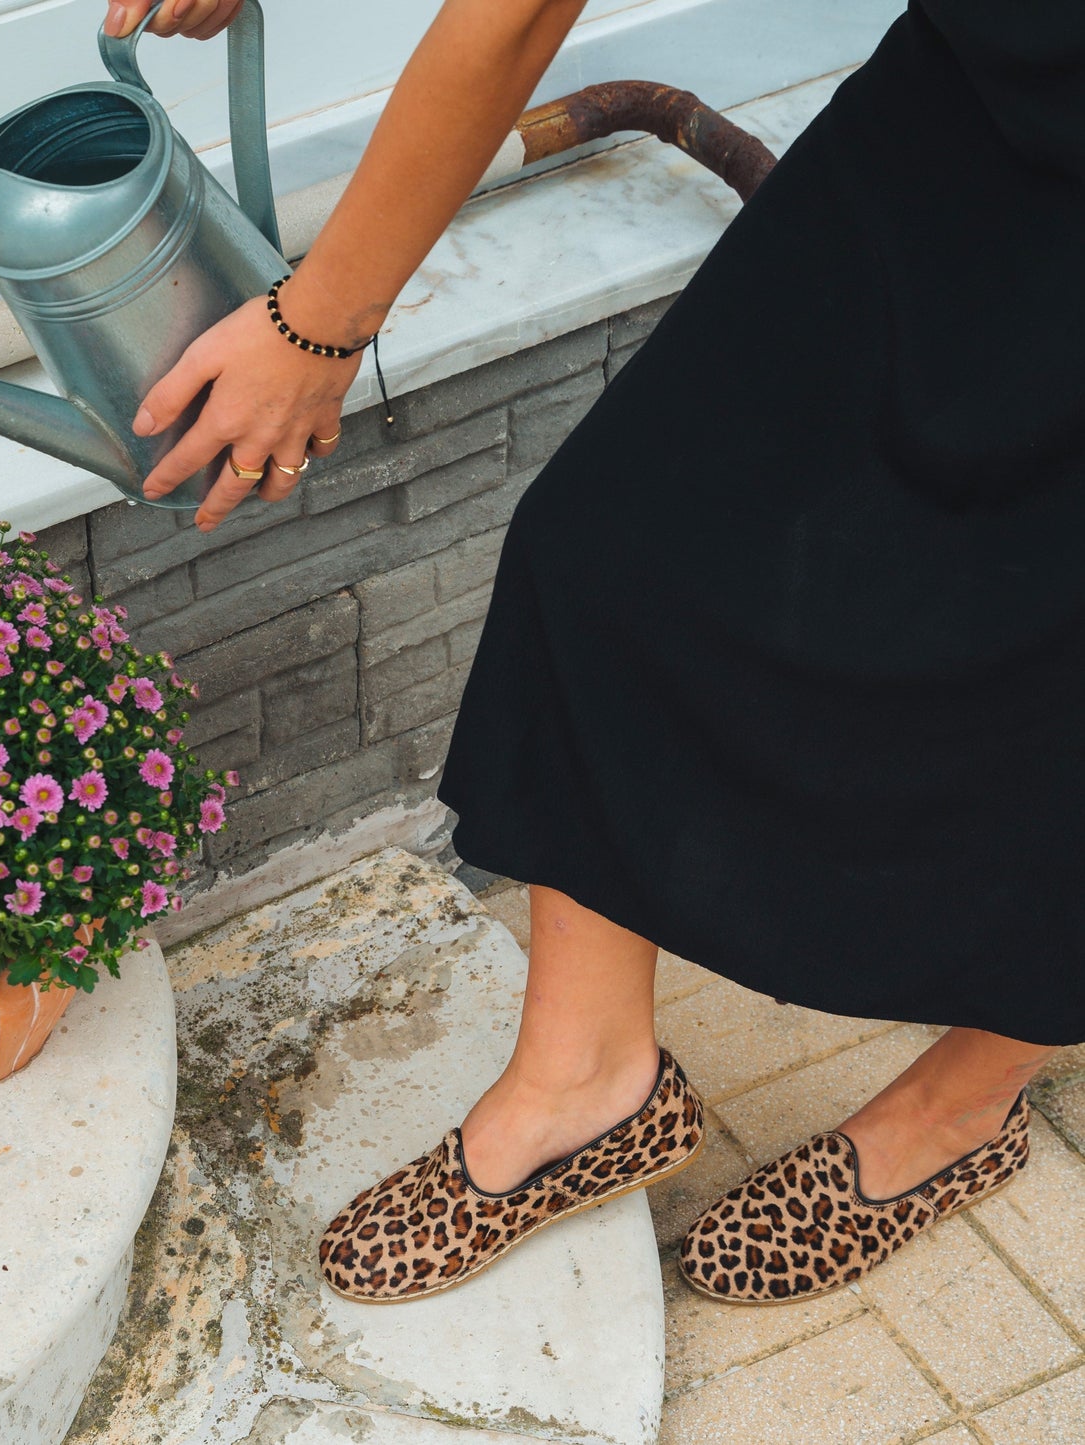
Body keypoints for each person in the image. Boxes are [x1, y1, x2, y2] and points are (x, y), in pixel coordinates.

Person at [104, 0, 1084, 1305]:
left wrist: (317, 324)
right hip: (975, 107)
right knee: (607, 540)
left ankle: (961, 1107)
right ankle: (583, 1083)